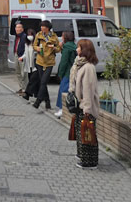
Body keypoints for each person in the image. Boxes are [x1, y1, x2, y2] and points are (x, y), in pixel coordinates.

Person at [72, 38, 100, 169]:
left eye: (79, 47)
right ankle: (83, 156)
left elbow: (88, 89)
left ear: (85, 50)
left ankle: (90, 161)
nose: (77, 49)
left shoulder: (88, 68)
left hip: (86, 106)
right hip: (80, 105)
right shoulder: (80, 64)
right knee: (82, 133)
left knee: (88, 134)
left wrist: (87, 109)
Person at [32, 20, 61, 111]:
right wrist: (37, 48)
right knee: (42, 83)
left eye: (43, 26)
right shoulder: (38, 35)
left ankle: (38, 101)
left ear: (47, 28)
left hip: (49, 62)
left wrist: (54, 48)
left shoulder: (54, 36)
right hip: (40, 61)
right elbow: (34, 45)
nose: (41, 28)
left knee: (44, 82)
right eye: (41, 26)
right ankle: (47, 102)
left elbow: (59, 49)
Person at [54, 30, 77, 117]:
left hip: (68, 72)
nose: (61, 38)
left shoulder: (66, 47)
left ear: (65, 38)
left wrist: (60, 73)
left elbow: (64, 62)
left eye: (62, 36)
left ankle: (61, 109)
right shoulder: (74, 45)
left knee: (63, 90)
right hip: (74, 71)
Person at [21, 28, 39, 102]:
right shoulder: (27, 44)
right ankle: (37, 94)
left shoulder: (36, 44)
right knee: (34, 80)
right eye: (28, 34)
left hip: (36, 65)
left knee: (32, 80)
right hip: (29, 65)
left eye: (31, 34)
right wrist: (21, 57)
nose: (29, 36)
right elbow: (25, 53)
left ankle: (27, 94)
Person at [12, 21, 27, 94]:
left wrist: (23, 56)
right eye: (16, 27)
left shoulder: (24, 36)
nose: (17, 29)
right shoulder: (16, 36)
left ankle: (25, 89)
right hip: (16, 55)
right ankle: (21, 87)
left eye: (19, 27)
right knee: (17, 72)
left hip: (22, 56)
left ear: (22, 29)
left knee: (23, 73)